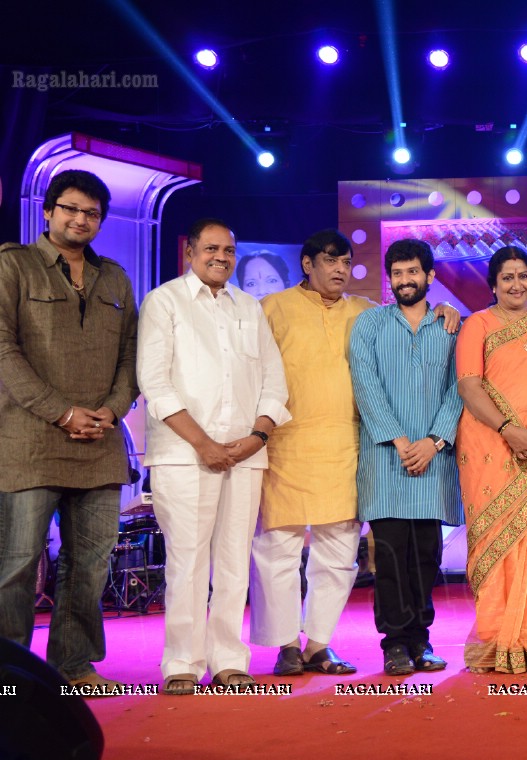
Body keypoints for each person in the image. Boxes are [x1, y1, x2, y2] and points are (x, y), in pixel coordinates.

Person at [138, 218, 290, 693]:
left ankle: (228, 660)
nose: (221, 257)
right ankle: (182, 663)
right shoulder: (165, 302)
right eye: (211, 249)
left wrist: (257, 437)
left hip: (245, 454)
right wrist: (203, 443)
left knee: (231, 561)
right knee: (187, 560)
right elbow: (155, 384)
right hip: (184, 455)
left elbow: (274, 382)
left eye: (228, 250)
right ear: (190, 252)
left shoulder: (249, 307)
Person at [0, 170, 138, 689]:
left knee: (90, 564)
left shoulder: (117, 279)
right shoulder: (13, 266)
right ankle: (8, 674)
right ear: (49, 211)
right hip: (28, 443)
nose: (81, 219)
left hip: (100, 445)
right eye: (71, 209)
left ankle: (75, 665)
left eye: (92, 213)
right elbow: (3, 352)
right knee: (16, 565)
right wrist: (61, 412)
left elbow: (131, 358)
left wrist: (114, 409)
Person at [247, 230, 373, 678]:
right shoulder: (270, 309)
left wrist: (444, 308)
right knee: (276, 550)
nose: (340, 269)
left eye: (346, 261)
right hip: (285, 445)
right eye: (330, 260)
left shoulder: (366, 312)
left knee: (339, 551)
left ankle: (319, 644)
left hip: (346, 444)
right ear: (306, 263)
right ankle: (284, 644)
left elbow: (411, 333)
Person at [349, 238, 463, 676]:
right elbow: (366, 385)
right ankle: (394, 643)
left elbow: (459, 388)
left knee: (426, 557)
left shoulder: (451, 326)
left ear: (429, 276)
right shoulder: (370, 325)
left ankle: (421, 640)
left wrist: (433, 441)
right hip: (387, 461)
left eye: (412, 272)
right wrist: (400, 441)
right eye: (396, 273)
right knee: (392, 556)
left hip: (434, 461)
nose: (404, 280)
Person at [456, 247, 527, 674]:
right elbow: (468, 386)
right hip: (487, 446)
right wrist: (509, 430)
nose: (516, 284)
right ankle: (494, 638)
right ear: (493, 284)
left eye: (523, 276)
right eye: (507, 277)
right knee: (493, 544)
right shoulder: (477, 324)